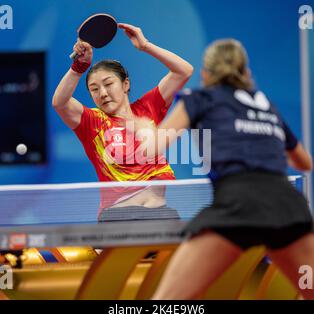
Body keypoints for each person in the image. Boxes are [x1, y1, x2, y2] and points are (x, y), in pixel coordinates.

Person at [134, 39, 314, 299]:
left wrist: (143, 128)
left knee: (167, 302)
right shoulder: (265, 105)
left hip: (236, 207)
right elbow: (304, 163)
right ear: (246, 73)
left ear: (206, 75)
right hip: (287, 210)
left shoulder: (200, 98)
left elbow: (151, 149)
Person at [52, 23, 193, 221]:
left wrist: (146, 46)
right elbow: (60, 103)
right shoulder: (93, 122)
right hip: (120, 217)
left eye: (108, 84)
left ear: (125, 84)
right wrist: (78, 68)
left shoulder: (148, 108)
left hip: (161, 215)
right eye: (94, 89)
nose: (103, 93)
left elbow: (183, 71)